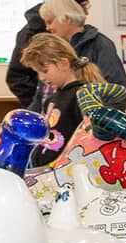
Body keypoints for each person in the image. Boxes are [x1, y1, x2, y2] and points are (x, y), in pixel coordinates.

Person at [19, 32, 101, 167]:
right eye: (37, 72)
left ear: (63, 63)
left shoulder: (83, 95)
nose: (41, 78)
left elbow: (91, 139)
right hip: (46, 170)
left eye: (44, 71)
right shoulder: (51, 100)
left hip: (72, 171)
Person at [6, 0, 88, 102]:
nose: (85, 13)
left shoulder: (84, 38)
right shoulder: (31, 34)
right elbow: (16, 76)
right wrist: (40, 106)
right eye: (82, 7)